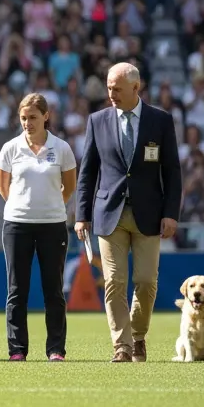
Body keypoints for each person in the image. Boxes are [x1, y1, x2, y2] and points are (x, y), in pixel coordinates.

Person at [74, 62, 182, 362]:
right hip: (110, 214)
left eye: (117, 89)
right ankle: (121, 346)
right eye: (109, 88)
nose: (111, 94)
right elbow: (88, 172)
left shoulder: (160, 121)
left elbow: (172, 171)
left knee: (146, 282)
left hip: (150, 214)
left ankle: (137, 336)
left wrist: (171, 212)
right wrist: (81, 215)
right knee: (114, 281)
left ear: (137, 88)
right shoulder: (97, 120)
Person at [0, 93, 77, 361]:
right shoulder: (10, 148)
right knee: (16, 290)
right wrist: (23, 207)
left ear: (46, 116)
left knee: (53, 289)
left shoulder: (62, 148)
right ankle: (17, 349)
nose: (27, 123)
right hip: (17, 225)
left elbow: (69, 186)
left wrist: (50, 206)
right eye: (23, 118)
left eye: (32, 117)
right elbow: (3, 187)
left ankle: (56, 349)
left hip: (53, 225)